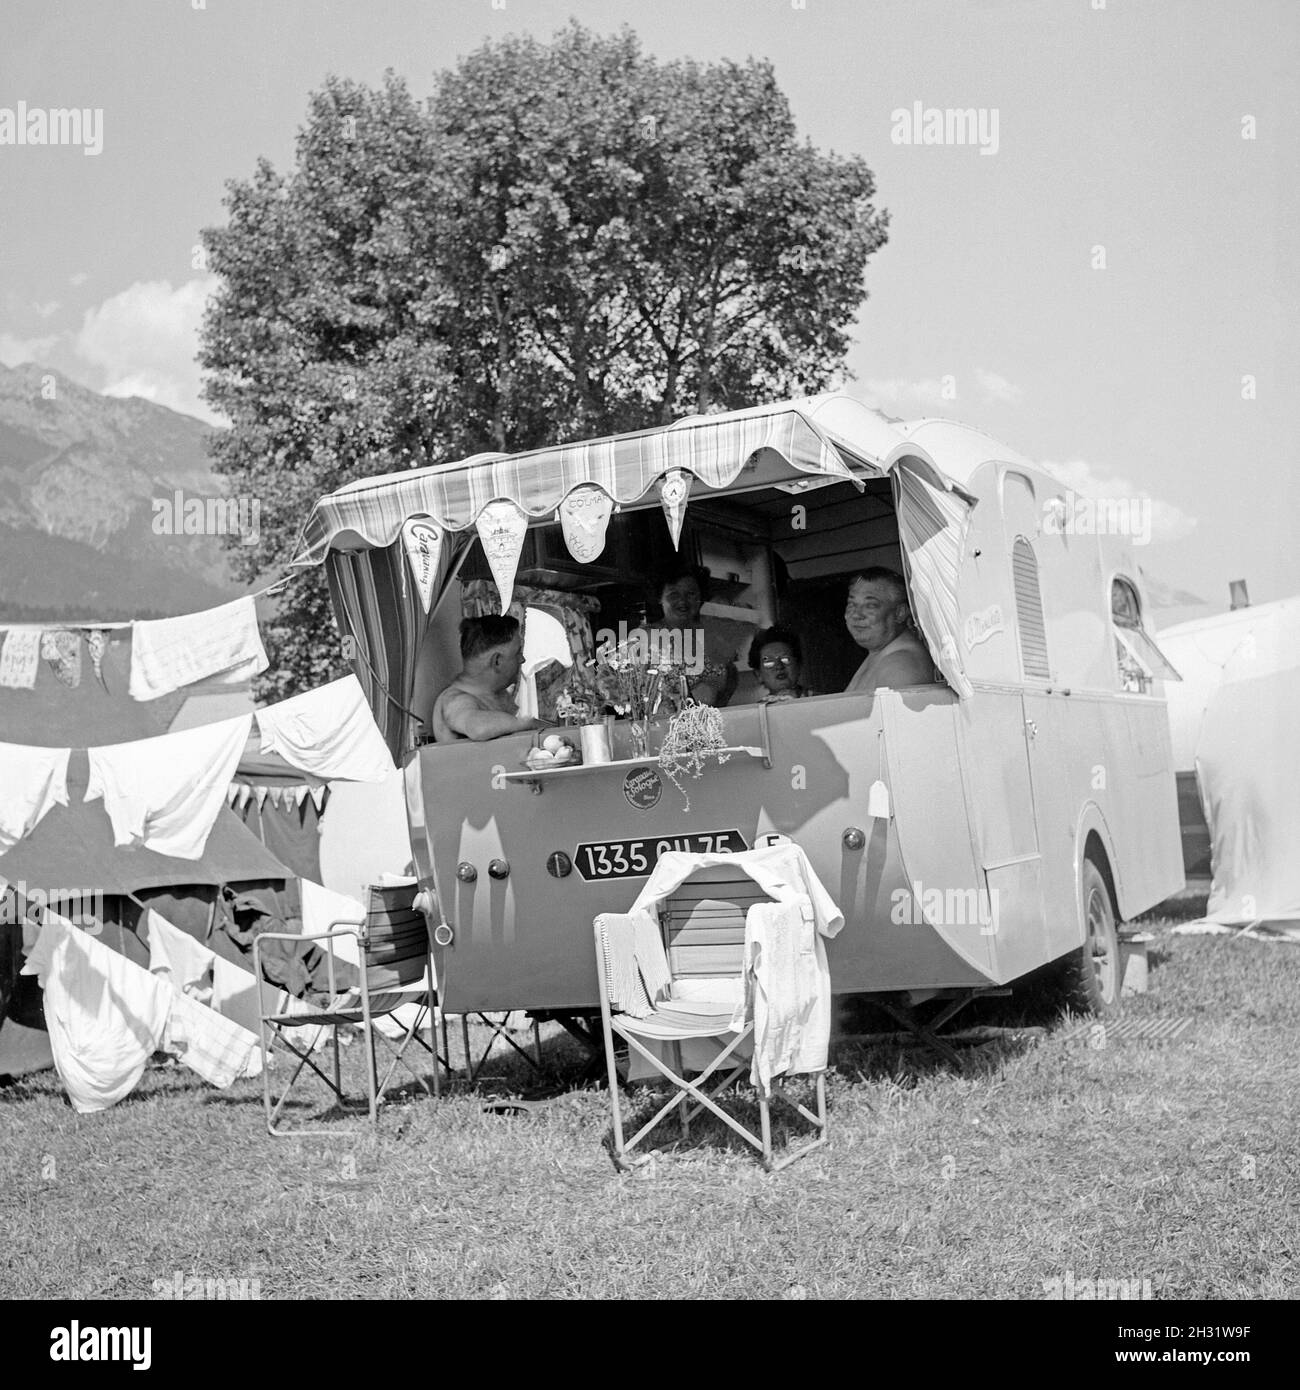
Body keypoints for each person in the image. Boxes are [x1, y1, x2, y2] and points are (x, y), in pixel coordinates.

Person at [430, 615, 547, 742]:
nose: (522, 659)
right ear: (497, 661)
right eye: (517, 653)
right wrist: (529, 725)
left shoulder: (496, 694)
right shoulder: (455, 700)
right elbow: (477, 728)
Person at [646, 565, 740, 707]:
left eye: (690, 594)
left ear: (701, 596)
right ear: (660, 597)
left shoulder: (715, 638)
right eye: (674, 595)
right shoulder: (644, 639)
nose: (683, 601)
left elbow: (728, 684)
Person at [843, 568, 938, 693]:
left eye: (870, 605)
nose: (856, 615)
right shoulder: (882, 653)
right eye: (852, 604)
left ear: (900, 613)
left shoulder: (901, 665)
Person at [749, 627, 815, 702]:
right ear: (759, 675)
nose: (779, 666)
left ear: (799, 666)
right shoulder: (756, 711)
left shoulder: (822, 700)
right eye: (769, 662)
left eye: (785, 659)